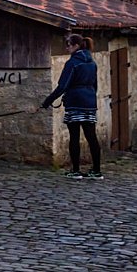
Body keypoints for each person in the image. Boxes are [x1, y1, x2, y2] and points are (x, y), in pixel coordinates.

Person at [41, 32, 102, 179]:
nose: (66, 48)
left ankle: (75, 170)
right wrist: (90, 97)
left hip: (75, 102)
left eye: (68, 45)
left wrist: (47, 101)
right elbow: (95, 85)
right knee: (91, 137)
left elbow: (62, 86)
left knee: (74, 137)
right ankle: (97, 170)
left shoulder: (72, 63)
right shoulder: (92, 63)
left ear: (75, 46)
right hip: (89, 103)